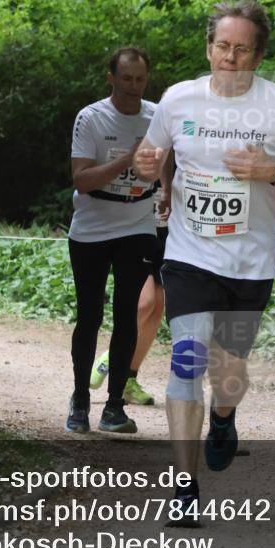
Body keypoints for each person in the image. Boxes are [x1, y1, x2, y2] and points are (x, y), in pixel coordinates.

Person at [133, 0, 275, 524]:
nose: (230, 57)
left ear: (258, 56)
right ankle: (184, 487)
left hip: (250, 261)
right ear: (209, 48)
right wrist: (146, 166)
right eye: (222, 46)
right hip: (189, 253)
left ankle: (223, 416)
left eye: (241, 49)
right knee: (187, 359)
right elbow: (150, 159)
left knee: (229, 372)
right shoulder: (179, 98)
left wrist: (273, 172)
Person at [65, 46, 160, 434]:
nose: (134, 86)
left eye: (140, 79)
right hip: (92, 226)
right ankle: (80, 400)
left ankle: (115, 406)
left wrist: (168, 190)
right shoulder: (90, 117)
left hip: (138, 223)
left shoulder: (157, 116)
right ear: (111, 78)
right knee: (90, 315)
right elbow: (82, 180)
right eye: (126, 79)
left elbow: (170, 163)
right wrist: (127, 160)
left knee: (127, 314)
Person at [89, 171, 171, 406]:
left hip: (170, 231)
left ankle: (129, 379)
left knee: (158, 305)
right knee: (145, 302)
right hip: (138, 228)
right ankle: (113, 357)